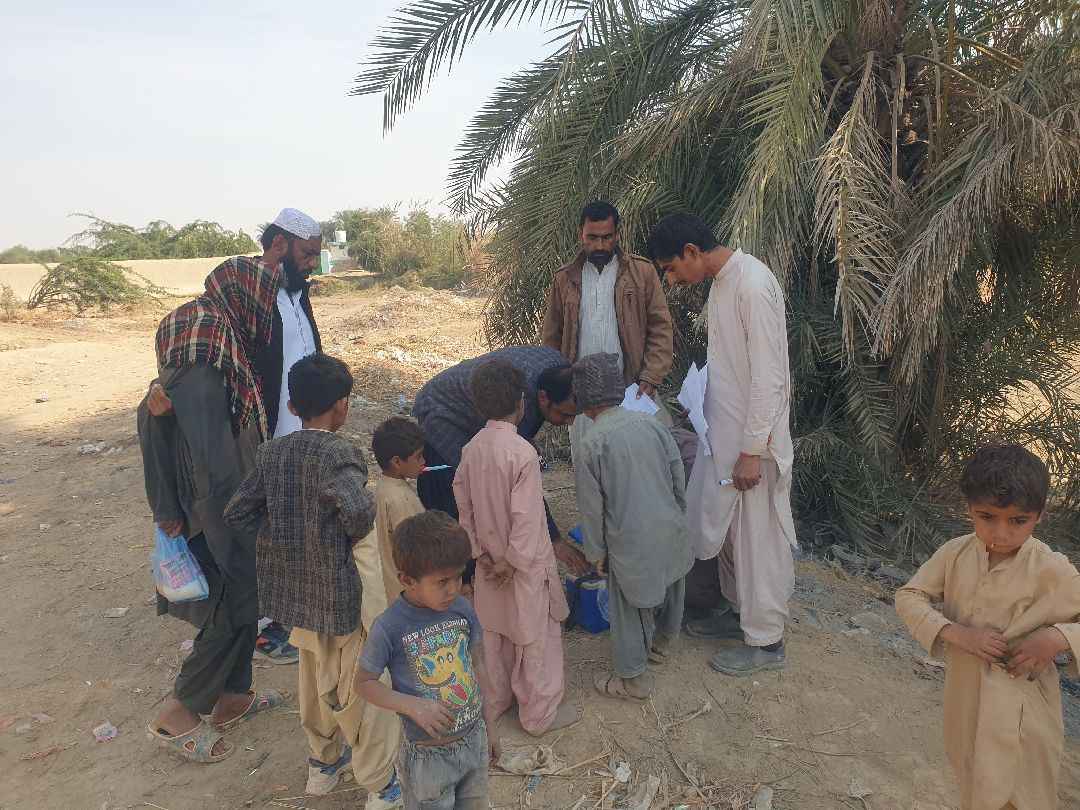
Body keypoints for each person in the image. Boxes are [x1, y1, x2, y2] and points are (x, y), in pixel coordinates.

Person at [145, 207, 325, 664]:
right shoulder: (245, 293)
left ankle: (286, 616)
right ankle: (262, 628)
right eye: (306, 254)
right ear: (279, 244)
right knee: (259, 535)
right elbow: (209, 367)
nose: (311, 264)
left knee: (295, 529)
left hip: (300, 434)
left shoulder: (296, 294)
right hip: (259, 439)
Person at [222, 354, 403, 806]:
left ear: (291, 404)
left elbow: (238, 513)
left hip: (296, 596)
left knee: (313, 679)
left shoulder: (272, 453)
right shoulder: (340, 454)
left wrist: (284, 542)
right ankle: (381, 786)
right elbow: (357, 515)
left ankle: (323, 764)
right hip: (342, 594)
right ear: (342, 405)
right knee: (363, 688)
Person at [138, 246, 295, 762]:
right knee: (230, 603)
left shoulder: (214, 334)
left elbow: (164, 413)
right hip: (216, 507)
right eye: (262, 302)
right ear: (243, 297)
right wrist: (233, 516)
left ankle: (233, 697)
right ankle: (178, 713)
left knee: (248, 595)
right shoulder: (206, 345)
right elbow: (207, 450)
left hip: (223, 497)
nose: (265, 315)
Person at [647, 213, 797, 677]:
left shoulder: (752, 285)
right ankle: (739, 614)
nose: (671, 280)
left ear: (692, 251)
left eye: (671, 268)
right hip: (725, 442)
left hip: (753, 449)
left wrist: (752, 449)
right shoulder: (722, 286)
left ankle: (767, 641)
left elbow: (769, 379)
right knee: (731, 536)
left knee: (757, 540)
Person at [895, 444, 1080, 810]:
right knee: (973, 782)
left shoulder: (1052, 569)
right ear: (969, 508)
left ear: (1039, 515)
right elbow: (909, 596)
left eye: (1018, 521)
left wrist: (1057, 637)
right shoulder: (955, 554)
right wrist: (956, 633)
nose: (1001, 532)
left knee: (1024, 795)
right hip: (967, 701)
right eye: (987, 516)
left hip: (1026, 710)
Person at [453, 360, 577, 735]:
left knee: (495, 635)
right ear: (522, 403)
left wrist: (479, 553)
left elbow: (464, 508)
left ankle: (496, 701)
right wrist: (512, 560)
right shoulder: (522, 453)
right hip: (522, 568)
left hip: (488, 565)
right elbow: (527, 516)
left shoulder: (470, 449)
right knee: (534, 637)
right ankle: (539, 714)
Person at [356, 511, 501, 810]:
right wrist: (412, 706)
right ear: (407, 580)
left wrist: (491, 725)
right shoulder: (389, 626)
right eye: (442, 581)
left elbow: (478, 665)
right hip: (428, 759)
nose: (453, 588)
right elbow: (364, 683)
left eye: (458, 576)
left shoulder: (462, 609)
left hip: (473, 740)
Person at [572, 353, 692, 701]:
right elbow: (677, 473)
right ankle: (663, 643)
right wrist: (677, 514)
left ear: (584, 404)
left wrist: (596, 552)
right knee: (673, 584)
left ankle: (633, 679)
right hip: (668, 525)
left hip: (630, 541)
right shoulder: (651, 424)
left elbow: (592, 509)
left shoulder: (591, 444)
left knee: (628, 608)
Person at [411, 346, 589, 575]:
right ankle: (462, 571)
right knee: (461, 490)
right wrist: (554, 540)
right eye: (564, 414)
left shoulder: (560, 374)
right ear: (543, 398)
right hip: (443, 409)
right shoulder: (521, 406)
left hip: (469, 399)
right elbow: (524, 490)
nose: (570, 422)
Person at [541, 201, 674, 463]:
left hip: (632, 391)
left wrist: (651, 375)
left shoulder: (642, 272)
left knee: (638, 463)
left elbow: (660, 327)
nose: (600, 245)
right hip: (581, 397)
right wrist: (558, 387)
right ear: (581, 234)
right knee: (589, 465)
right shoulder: (565, 278)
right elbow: (552, 336)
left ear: (617, 235)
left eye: (606, 237)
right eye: (592, 238)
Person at [372, 416, 427, 606]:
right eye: (418, 456)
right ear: (397, 462)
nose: (423, 461)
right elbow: (414, 548)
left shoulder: (382, 487)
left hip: (389, 589)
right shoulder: (400, 498)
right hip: (406, 593)